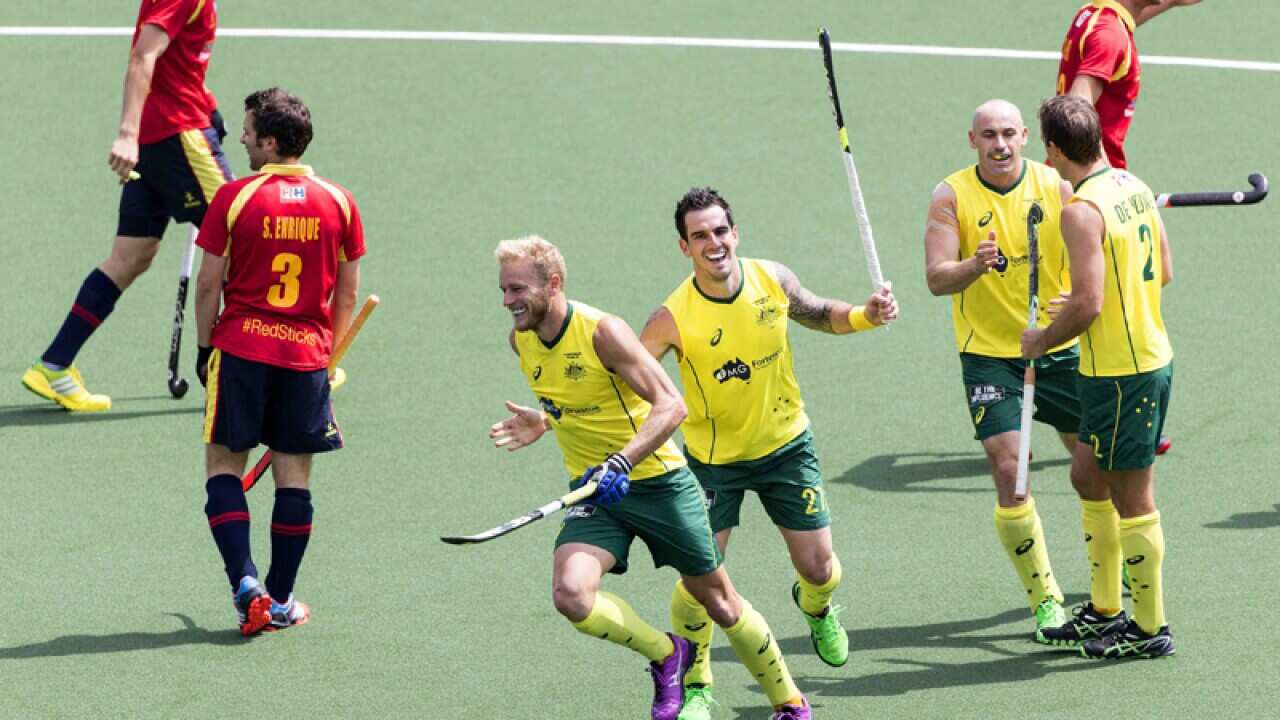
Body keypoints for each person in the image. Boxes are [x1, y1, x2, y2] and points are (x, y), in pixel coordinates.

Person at [489, 236, 811, 720]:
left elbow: (671, 405)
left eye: (517, 289)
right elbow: (576, 397)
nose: (508, 301)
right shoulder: (522, 339)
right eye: (503, 290)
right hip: (596, 491)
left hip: (659, 484)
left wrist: (622, 460)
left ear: (552, 284)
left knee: (721, 604)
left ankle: (789, 704)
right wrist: (544, 418)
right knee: (572, 595)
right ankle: (667, 654)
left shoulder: (603, 332)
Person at [639, 188, 897, 719]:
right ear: (684, 247)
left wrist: (866, 314)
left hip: (786, 447)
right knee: (699, 578)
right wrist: (555, 416)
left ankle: (817, 606)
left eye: (720, 231)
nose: (714, 243)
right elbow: (628, 376)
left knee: (820, 567)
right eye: (701, 235)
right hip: (714, 463)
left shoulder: (770, 279)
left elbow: (819, 312)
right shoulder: (672, 316)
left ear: (736, 233)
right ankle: (697, 683)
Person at [194, 87, 364, 636]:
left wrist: (204, 350)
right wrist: (328, 359)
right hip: (303, 360)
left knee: (224, 470)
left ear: (269, 141)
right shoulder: (339, 201)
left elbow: (208, 285)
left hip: (241, 352)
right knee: (294, 482)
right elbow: (345, 296)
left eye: (248, 131)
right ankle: (283, 599)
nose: (240, 137)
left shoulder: (236, 197)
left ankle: (245, 582)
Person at [924, 99, 1096, 643]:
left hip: (1059, 347)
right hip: (990, 355)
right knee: (1009, 471)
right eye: (988, 136)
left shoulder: (1058, 186)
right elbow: (935, 277)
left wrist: (1074, 294)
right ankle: (1046, 598)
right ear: (971, 140)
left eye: (1008, 134)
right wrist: (974, 265)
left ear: (1025, 137)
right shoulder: (951, 195)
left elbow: (1092, 255)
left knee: (1095, 464)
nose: (999, 145)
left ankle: (1106, 583)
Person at [21, 0, 233, 411]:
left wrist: (209, 106)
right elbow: (142, 56)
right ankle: (276, 368)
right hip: (176, 137)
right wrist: (126, 133)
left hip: (164, 136)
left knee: (131, 255)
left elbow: (180, 64)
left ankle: (54, 364)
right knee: (246, 239)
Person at [1024, 94, 1174, 659]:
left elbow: (1087, 303)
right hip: (1117, 365)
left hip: (1123, 373)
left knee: (1134, 498)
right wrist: (1101, 299)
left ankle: (1149, 627)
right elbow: (1164, 268)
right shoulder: (1132, 186)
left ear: (1054, 150)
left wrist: (1044, 337)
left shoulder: (1080, 210)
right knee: (1087, 476)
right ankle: (1105, 608)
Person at [1057, 0, 1199, 456]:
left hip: (1100, 180)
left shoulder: (1100, 15)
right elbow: (1078, 102)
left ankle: (1115, 409)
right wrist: (1098, 179)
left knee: (1152, 275)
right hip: (1102, 184)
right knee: (1122, 290)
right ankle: (1122, 410)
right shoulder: (1110, 35)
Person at [1057, 0, 1202, 170]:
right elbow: (1076, 106)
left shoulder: (1093, 13)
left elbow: (1122, 25)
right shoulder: (1110, 35)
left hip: (1068, 166)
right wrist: (1107, 177)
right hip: (1088, 175)